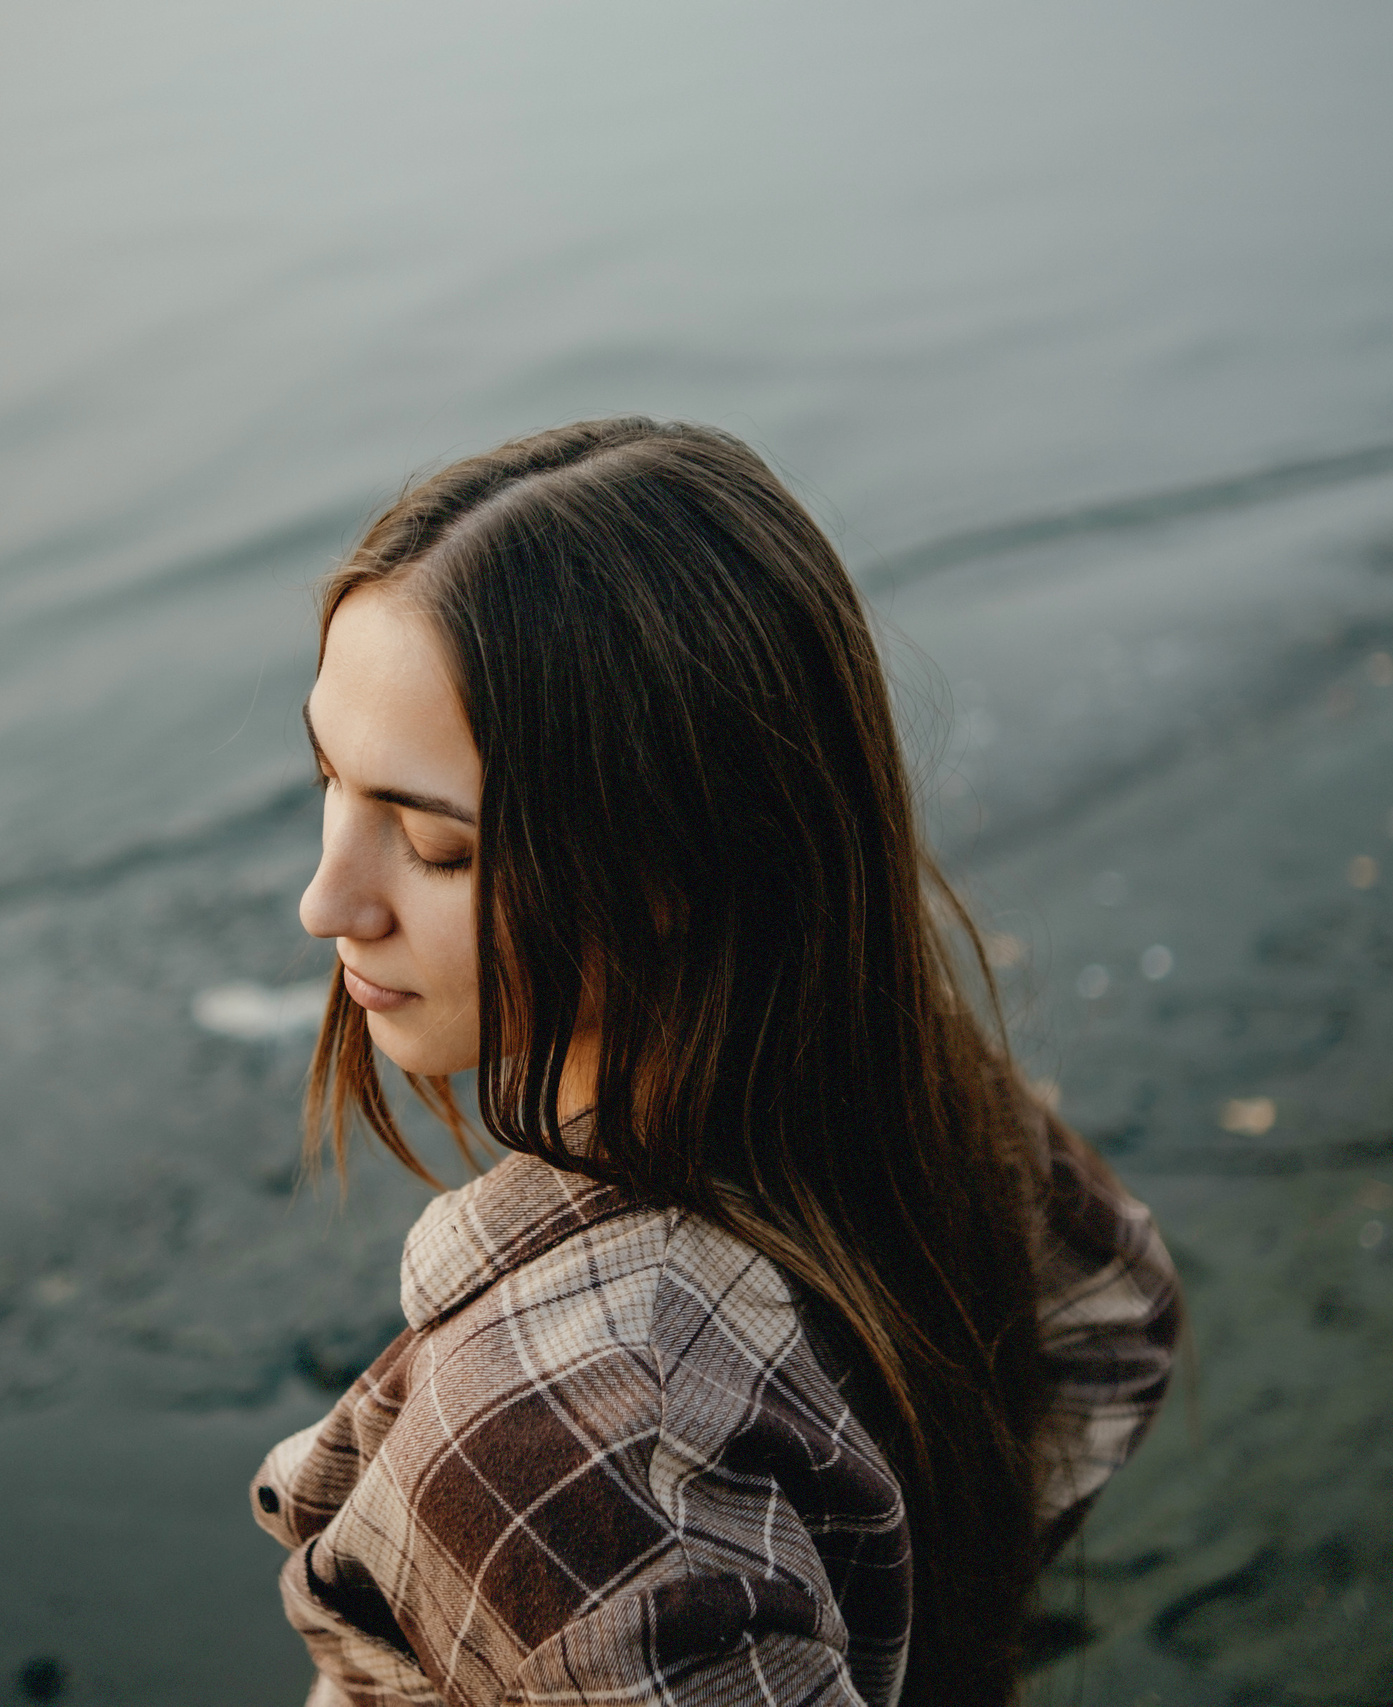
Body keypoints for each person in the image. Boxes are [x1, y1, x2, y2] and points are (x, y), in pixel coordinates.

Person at [251, 418, 1180, 1706]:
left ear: (670, 871)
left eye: (437, 847)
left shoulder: (562, 1432)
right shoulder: (907, 1097)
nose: (326, 899)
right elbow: (1120, 1311)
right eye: (328, 779)